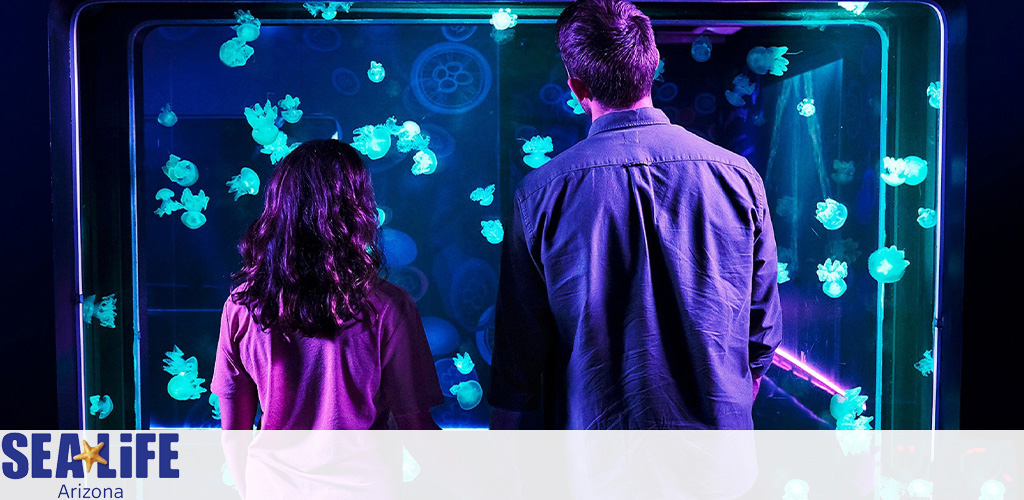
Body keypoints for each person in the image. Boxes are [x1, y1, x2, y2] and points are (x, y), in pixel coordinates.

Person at [488, 0, 782, 430]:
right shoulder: (738, 177)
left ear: (576, 88)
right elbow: (762, 333)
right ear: (654, 64)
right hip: (714, 458)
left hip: (592, 459)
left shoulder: (540, 193)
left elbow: (520, 348)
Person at [212, 139, 443, 431]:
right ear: (357, 207)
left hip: (269, 476)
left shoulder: (243, 306)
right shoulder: (388, 307)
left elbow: (234, 432)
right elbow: (416, 425)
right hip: (364, 476)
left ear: (278, 205)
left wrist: (249, 479)